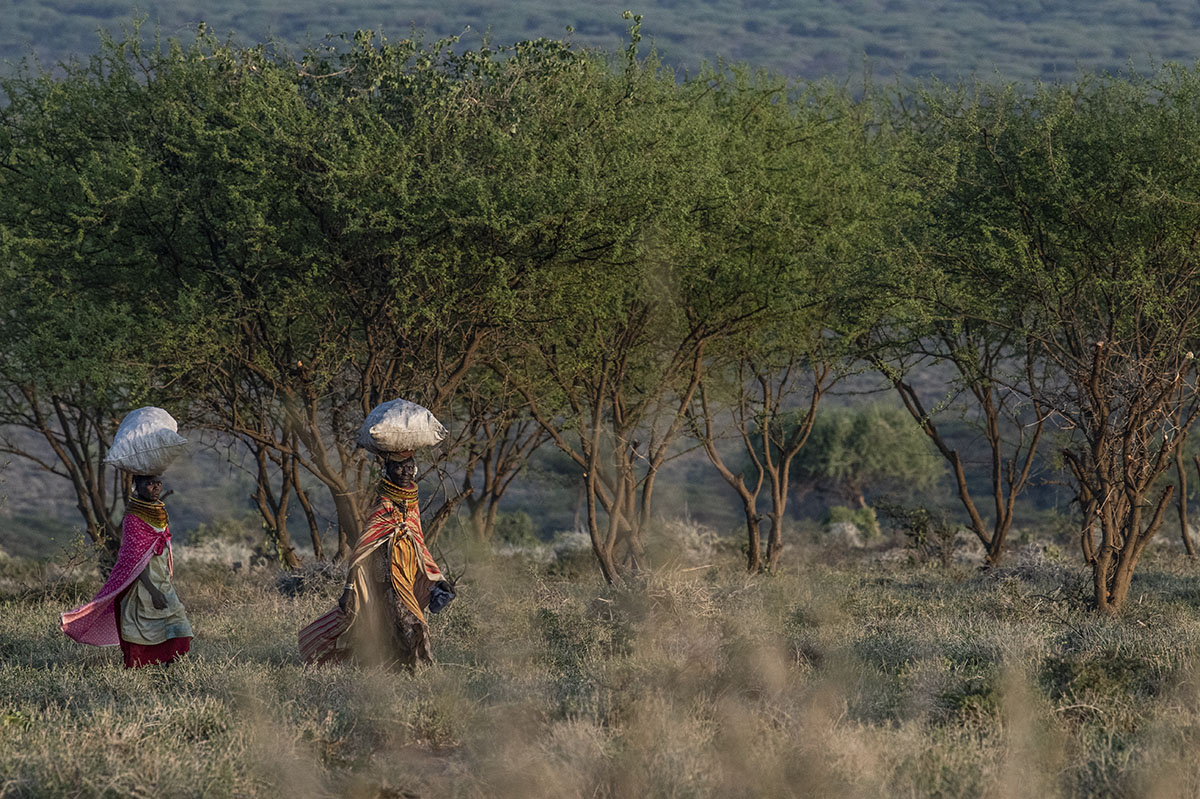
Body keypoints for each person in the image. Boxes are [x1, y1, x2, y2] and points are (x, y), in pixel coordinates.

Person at [300, 452, 455, 667]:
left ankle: (398, 670)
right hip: (386, 578)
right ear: (387, 470)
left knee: (395, 625)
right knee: (409, 624)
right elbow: (361, 551)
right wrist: (348, 590)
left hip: (407, 577)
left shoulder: (411, 507)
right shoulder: (383, 507)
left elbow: (420, 545)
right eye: (399, 467)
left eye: (410, 467)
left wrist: (438, 578)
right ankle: (414, 668)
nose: (405, 472)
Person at [61, 475, 193, 668]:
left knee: (179, 629)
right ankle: (142, 676)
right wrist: (153, 591)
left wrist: (162, 585)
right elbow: (132, 561)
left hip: (163, 584)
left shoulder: (160, 514)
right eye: (149, 483)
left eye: (158, 482)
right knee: (141, 635)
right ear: (136, 487)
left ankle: (170, 672)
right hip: (140, 588)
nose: (155, 487)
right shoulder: (133, 519)